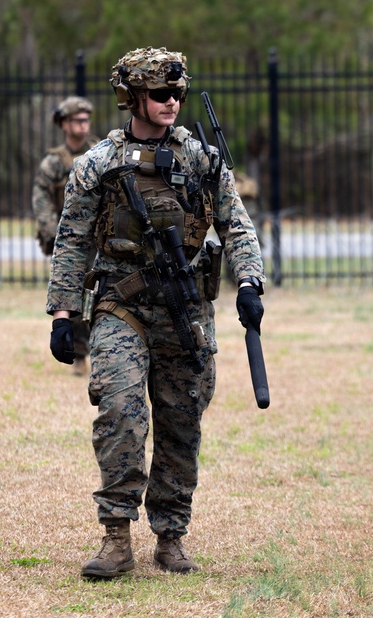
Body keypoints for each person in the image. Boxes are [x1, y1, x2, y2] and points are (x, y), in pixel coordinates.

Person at [45, 46, 265, 579]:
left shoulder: (201, 160)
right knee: (120, 411)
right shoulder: (98, 164)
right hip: (121, 305)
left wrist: (249, 282)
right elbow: (72, 241)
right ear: (133, 97)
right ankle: (116, 536)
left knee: (181, 421)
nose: (172, 102)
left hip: (185, 309)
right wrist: (62, 314)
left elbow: (236, 224)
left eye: (178, 93)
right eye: (161, 93)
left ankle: (171, 535)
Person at [33, 96, 99, 374]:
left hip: (98, 238)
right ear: (64, 124)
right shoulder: (53, 163)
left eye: (86, 120)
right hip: (71, 240)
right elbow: (41, 200)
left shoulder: (99, 153)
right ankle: (79, 352)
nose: (83, 125)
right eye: (77, 120)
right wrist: (52, 233)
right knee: (72, 296)